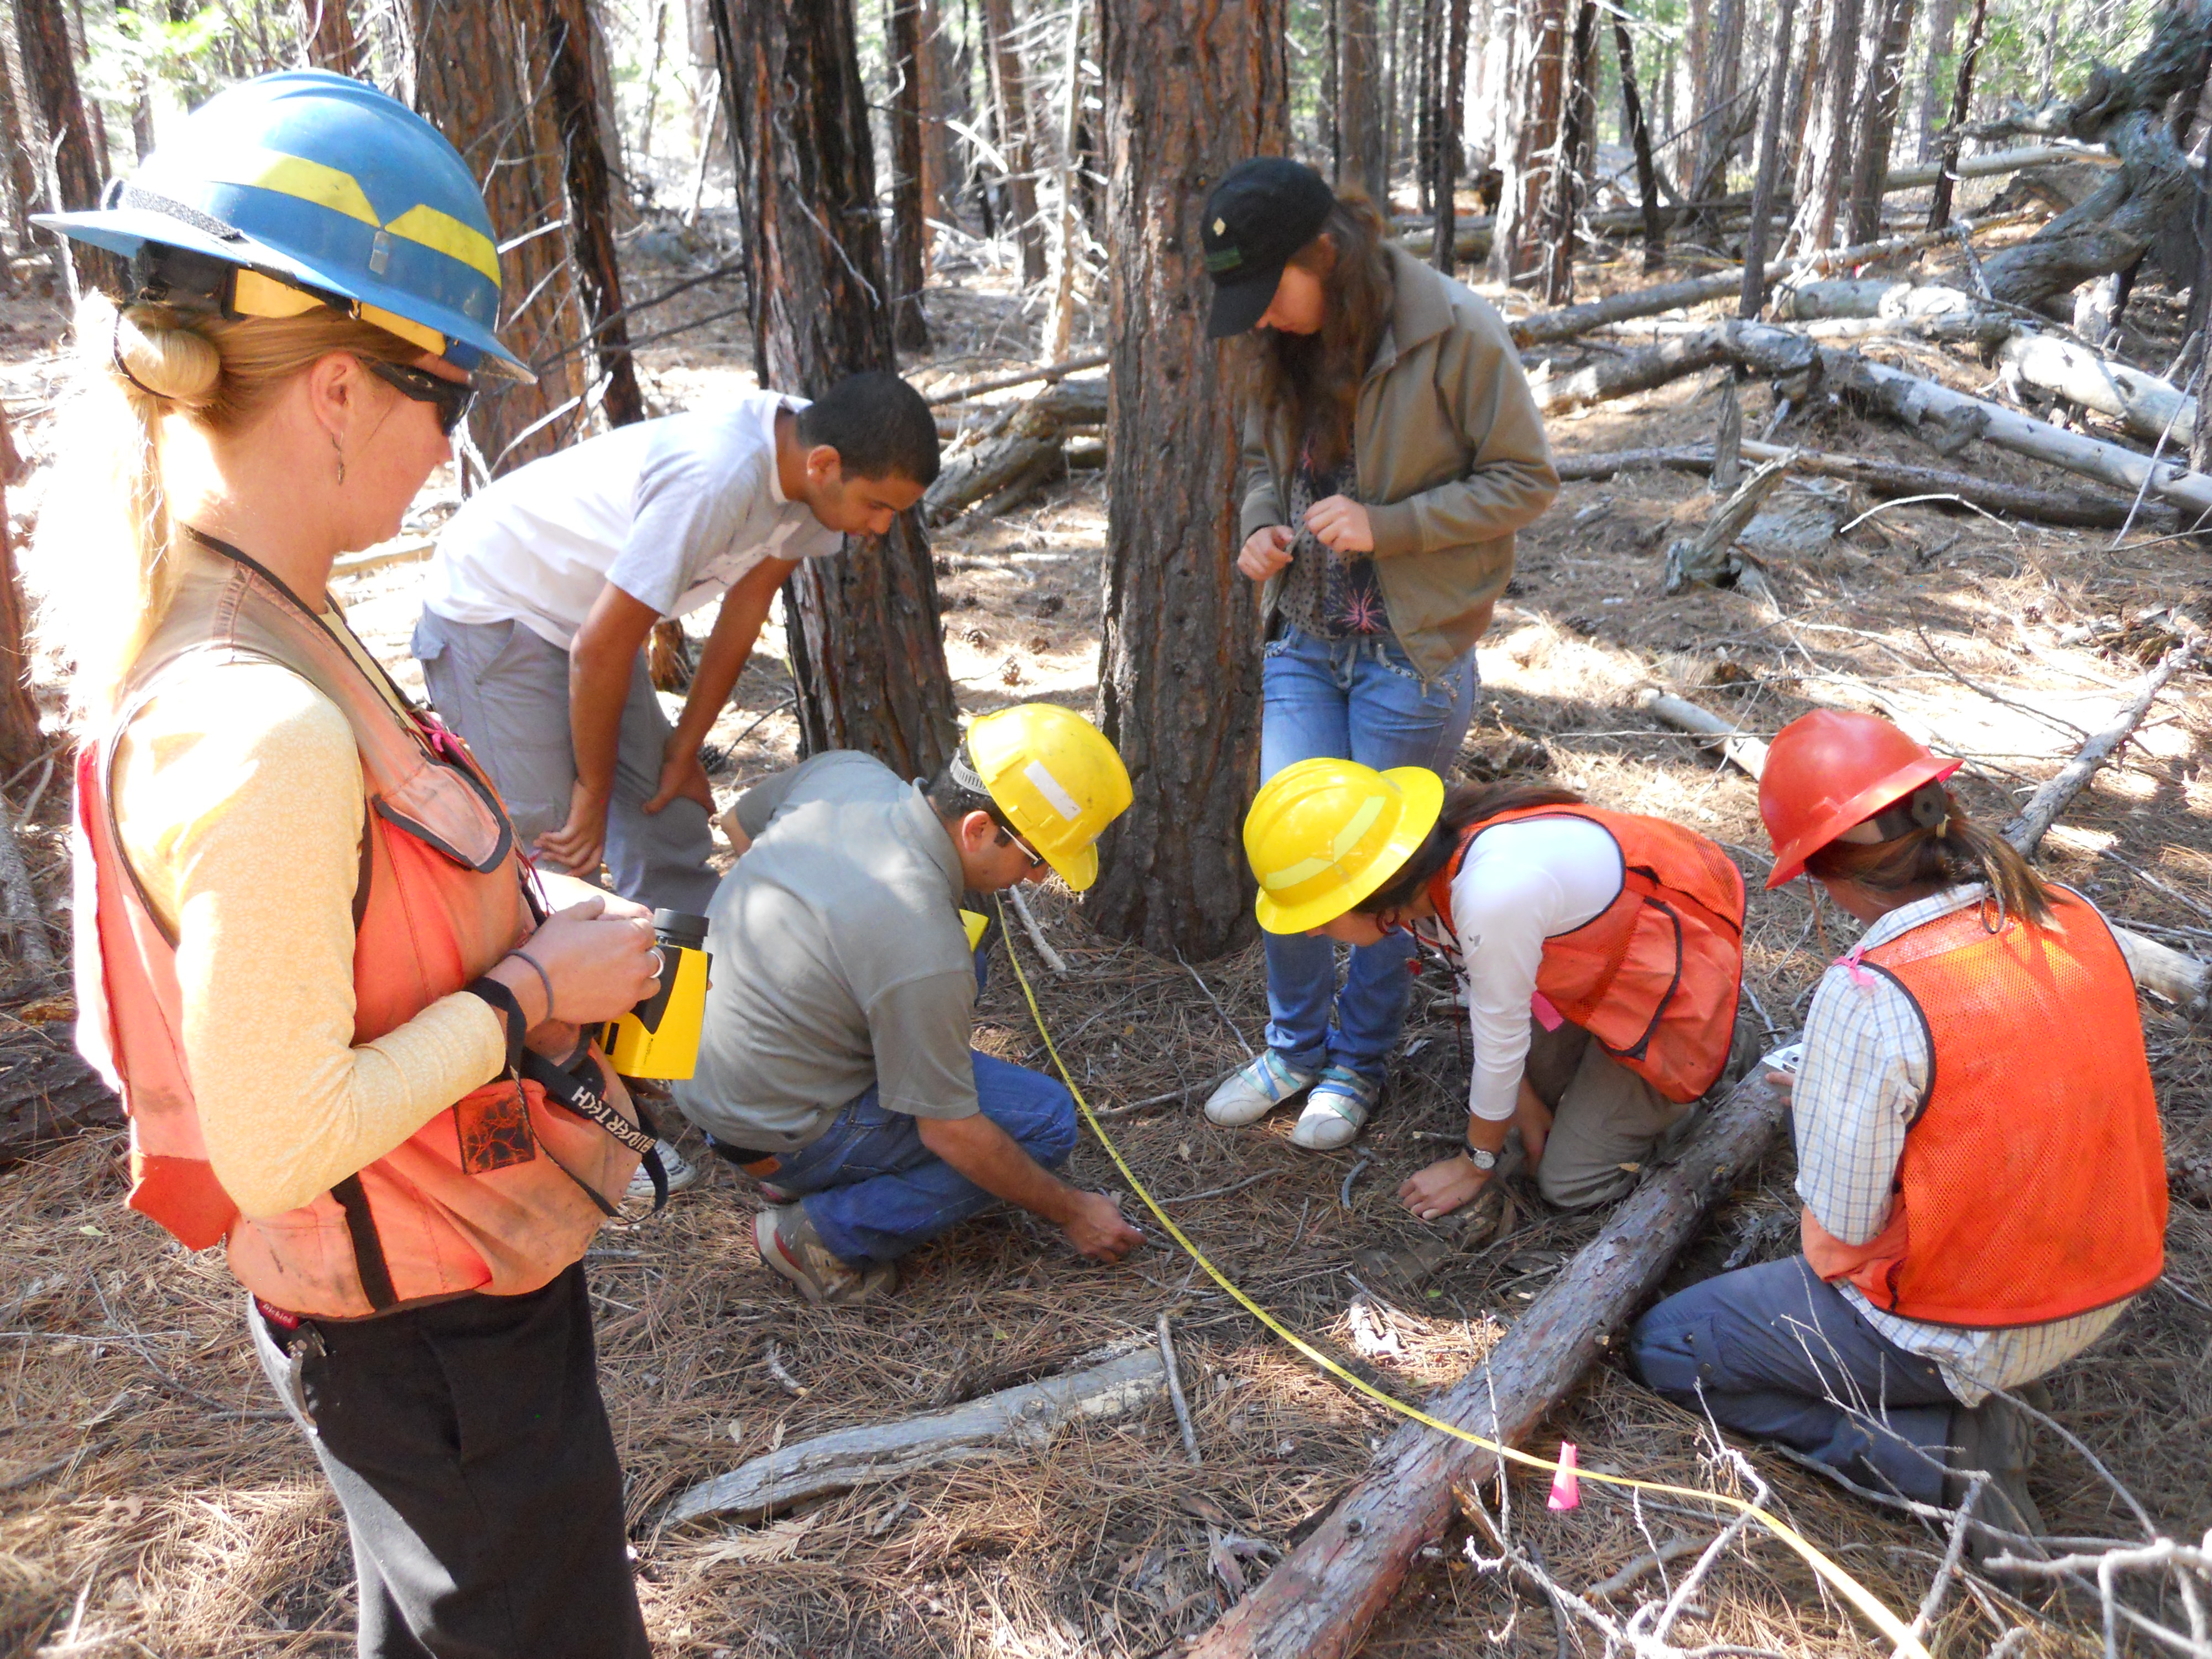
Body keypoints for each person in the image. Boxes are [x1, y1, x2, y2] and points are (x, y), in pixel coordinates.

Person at [38, 72, 665, 1657]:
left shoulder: (275, 623)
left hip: (420, 1322)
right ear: (333, 390)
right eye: (446, 391)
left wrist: (518, 909)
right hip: (439, 1344)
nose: (458, 440)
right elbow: (279, 1142)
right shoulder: (259, 715)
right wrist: (531, 992)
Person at [1629, 710, 2168, 1558]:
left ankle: (1940, 1459)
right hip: (2109, 1277)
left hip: (1972, 1326)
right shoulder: (2071, 911)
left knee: (1668, 1344)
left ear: (1824, 873)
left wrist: (1822, 1100)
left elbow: (1842, 1224)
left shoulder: (1874, 991)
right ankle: (1961, 1417)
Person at [1198, 155, 1559, 1151]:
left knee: (1378, 874)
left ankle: (1358, 1066)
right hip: (1305, 641)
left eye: (1270, 293)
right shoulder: (1281, 351)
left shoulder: (1456, 331)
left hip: (1411, 652)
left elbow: (1526, 481)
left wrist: (1388, 526)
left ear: (1327, 255)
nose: (1263, 319)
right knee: (1291, 857)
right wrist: (1263, 531)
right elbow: (1271, 474)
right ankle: (1291, 1047)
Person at [412, 368, 941, 917]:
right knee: (555, 843)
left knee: (664, 806)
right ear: (825, 465)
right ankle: (558, 983)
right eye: (878, 506)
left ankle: (691, 971)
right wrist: (591, 794)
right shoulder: (717, 479)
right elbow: (599, 651)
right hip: (498, 603)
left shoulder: (814, 464)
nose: (879, 528)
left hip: (588, 616)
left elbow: (746, 607)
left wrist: (684, 747)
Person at [671, 705, 1146, 1306]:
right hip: (775, 1124)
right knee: (1043, 1122)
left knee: (963, 952)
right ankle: (817, 1236)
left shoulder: (845, 774)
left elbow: (743, 826)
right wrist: (1073, 1210)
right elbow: (953, 1133)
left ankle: (789, 1158)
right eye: (1036, 857)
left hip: (700, 1066)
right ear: (977, 828)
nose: (1037, 877)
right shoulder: (922, 942)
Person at [1239, 760, 1745, 1215]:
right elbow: (1488, 1003)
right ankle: (1606, 1070)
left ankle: (1723, 1046)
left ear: (1374, 890)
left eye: (1320, 915)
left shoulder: (1490, 894)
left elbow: (1501, 1039)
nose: (1310, 931)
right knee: (1521, 1133)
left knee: (1569, 1183)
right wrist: (1522, 1104)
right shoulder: (1422, 873)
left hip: (1667, 970)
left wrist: (1474, 1163)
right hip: (1584, 968)